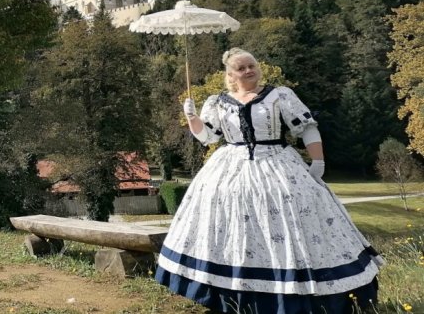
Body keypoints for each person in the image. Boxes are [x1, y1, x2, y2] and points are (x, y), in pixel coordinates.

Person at [154, 48, 383, 314]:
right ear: (230, 75)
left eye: (251, 65)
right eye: (241, 68)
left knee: (294, 217)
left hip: (278, 163)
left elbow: (307, 127)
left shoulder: (280, 95)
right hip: (230, 166)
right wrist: (192, 118)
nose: (248, 71)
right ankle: (232, 295)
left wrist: (317, 162)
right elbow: (208, 138)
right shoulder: (217, 102)